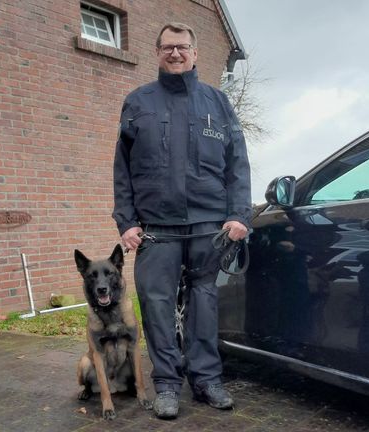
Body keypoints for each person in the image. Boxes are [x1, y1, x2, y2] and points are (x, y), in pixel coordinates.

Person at [112, 22, 251, 419]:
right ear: (157, 52)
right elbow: (121, 167)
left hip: (210, 226)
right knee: (156, 305)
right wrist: (126, 221)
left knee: (204, 303)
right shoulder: (138, 102)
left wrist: (240, 215)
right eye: (168, 47)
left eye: (183, 47)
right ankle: (168, 384)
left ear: (195, 53)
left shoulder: (218, 103)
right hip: (156, 228)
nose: (176, 54)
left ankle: (207, 379)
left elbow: (238, 164)